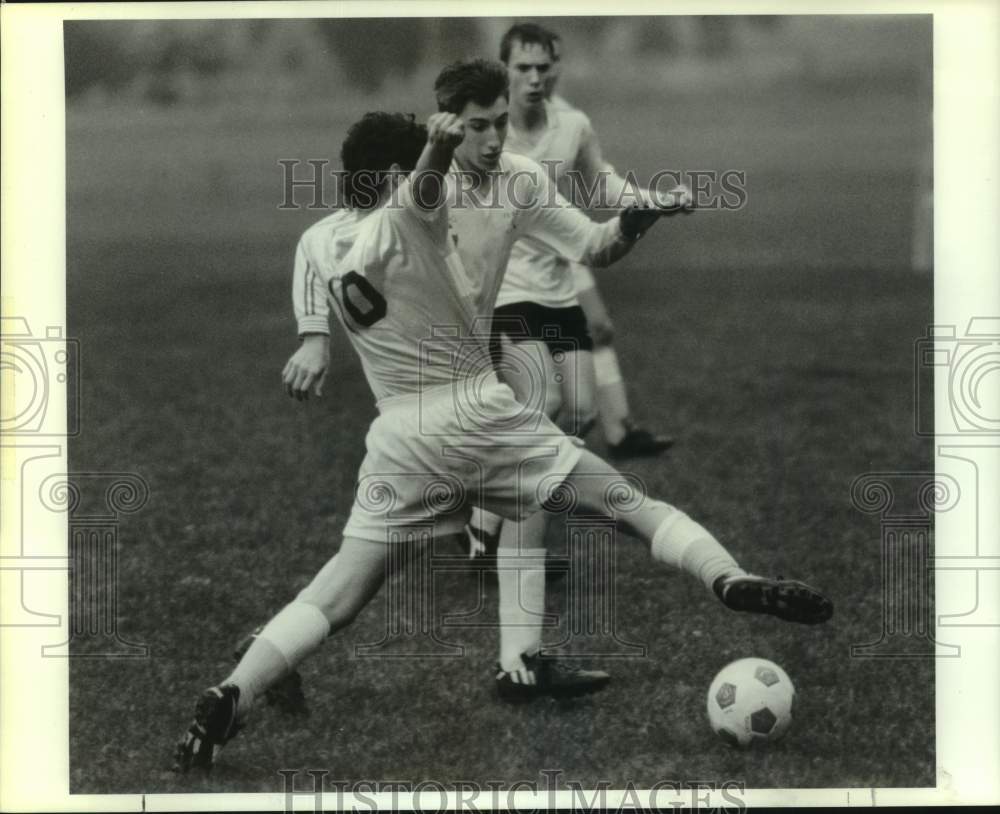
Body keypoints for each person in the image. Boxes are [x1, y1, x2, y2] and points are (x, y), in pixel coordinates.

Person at [173, 100, 831, 773]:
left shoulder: (317, 240)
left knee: (335, 596)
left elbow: (390, 219)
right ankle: (729, 579)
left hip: (399, 436)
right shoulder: (412, 213)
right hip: (476, 414)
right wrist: (434, 149)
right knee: (627, 504)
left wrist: (315, 337)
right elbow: (423, 191)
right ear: (401, 175)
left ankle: (230, 695)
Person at [465, 24, 681, 558]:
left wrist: (651, 200)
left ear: (557, 67)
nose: (535, 78)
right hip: (507, 286)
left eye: (544, 67)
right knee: (543, 401)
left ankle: (493, 508)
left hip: (560, 284)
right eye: (523, 68)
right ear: (504, 68)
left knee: (582, 412)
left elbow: (601, 183)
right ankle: (496, 535)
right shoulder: (489, 131)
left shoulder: (573, 125)